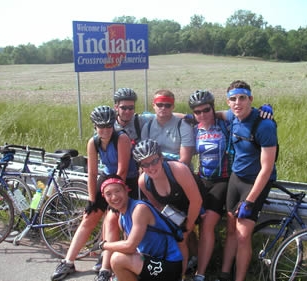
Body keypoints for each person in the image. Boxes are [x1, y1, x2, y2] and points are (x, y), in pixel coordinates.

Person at [51, 106, 132, 281]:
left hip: (124, 180)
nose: (105, 130)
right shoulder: (93, 142)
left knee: (111, 219)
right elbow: (93, 173)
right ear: (94, 126)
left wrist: (114, 201)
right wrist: (91, 199)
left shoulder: (122, 138)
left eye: (108, 126)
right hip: (106, 177)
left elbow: (123, 170)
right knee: (89, 216)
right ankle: (68, 261)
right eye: (100, 127)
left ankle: (105, 269)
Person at [216, 80, 278, 281]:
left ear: (251, 99)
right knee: (231, 228)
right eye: (233, 99)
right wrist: (165, 115)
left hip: (256, 182)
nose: (237, 103)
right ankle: (225, 274)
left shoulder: (264, 124)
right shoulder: (232, 117)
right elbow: (208, 114)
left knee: (243, 235)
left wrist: (250, 201)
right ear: (228, 102)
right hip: (236, 178)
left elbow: (267, 168)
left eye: (242, 98)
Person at [132, 139, 203, 281]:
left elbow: (196, 201)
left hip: (194, 203)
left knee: (181, 239)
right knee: (170, 238)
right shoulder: (143, 181)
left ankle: (182, 275)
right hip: (173, 210)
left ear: (161, 157)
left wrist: (187, 228)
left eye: (154, 161)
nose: (151, 168)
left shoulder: (178, 170)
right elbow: (158, 207)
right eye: (145, 164)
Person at [97, 174, 183, 281]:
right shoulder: (122, 218)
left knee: (117, 259)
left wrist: (104, 245)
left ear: (126, 190)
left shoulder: (139, 209)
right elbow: (129, 250)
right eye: (108, 194)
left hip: (169, 265)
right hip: (150, 261)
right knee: (119, 262)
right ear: (104, 197)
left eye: (117, 191)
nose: (114, 197)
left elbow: (130, 246)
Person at [186, 90, 231, 281]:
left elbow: (239, 112)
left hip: (222, 181)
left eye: (206, 110)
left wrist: (265, 110)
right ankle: (197, 256)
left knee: (207, 225)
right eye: (197, 112)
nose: (202, 115)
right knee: (185, 220)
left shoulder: (225, 125)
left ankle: (201, 274)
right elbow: (175, 116)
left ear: (213, 108)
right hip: (202, 180)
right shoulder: (194, 129)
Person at [140, 89, 195, 166]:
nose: (163, 108)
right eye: (159, 105)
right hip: (153, 170)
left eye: (167, 105)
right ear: (153, 106)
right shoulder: (147, 127)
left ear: (173, 107)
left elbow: (185, 160)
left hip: (179, 170)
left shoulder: (183, 126)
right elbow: (144, 157)